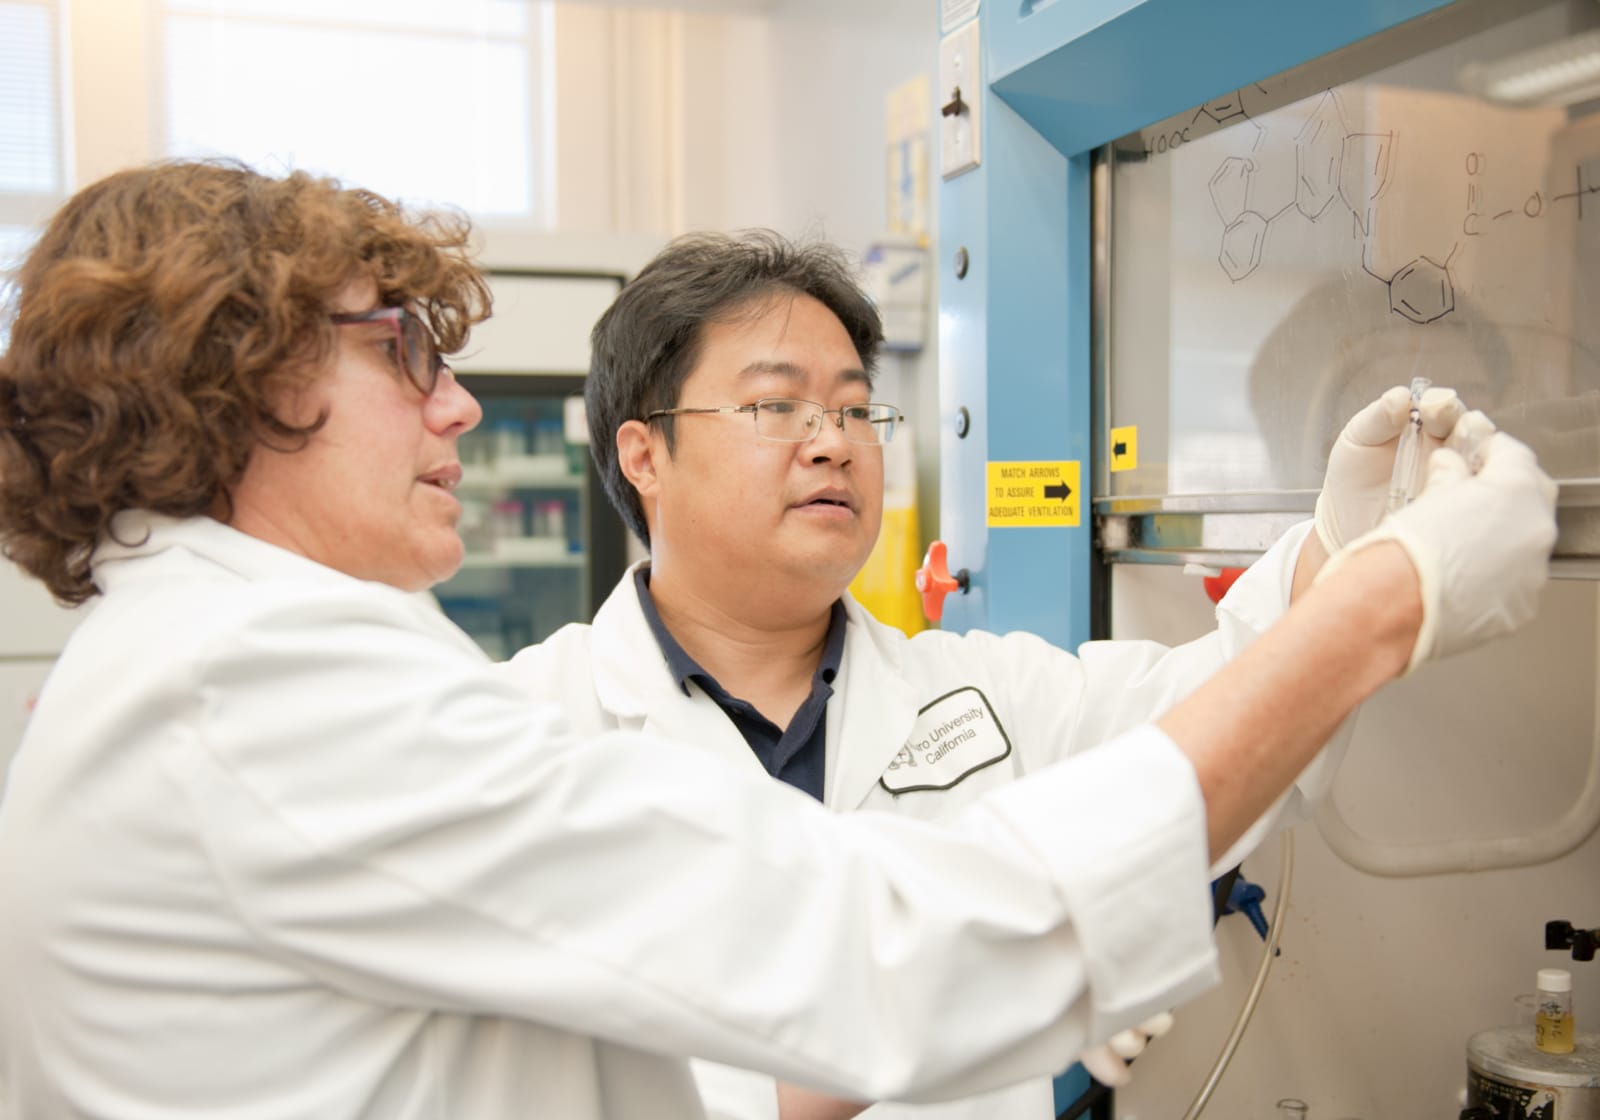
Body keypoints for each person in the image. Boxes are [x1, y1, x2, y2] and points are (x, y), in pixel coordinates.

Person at [0, 162, 1554, 1120]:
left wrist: (1334, 562)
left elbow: (1190, 718)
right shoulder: (269, 695)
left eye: (851, 408)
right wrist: (1388, 605)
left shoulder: (200, 673)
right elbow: (887, 954)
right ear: (229, 369)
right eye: (400, 347)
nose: (458, 403)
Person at [498, 231, 1557, 1120]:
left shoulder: (983, 695)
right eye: (777, 407)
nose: (833, 444)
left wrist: (1339, 545)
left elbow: (1225, 720)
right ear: (643, 455)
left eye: (856, 408)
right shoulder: (531, 734)